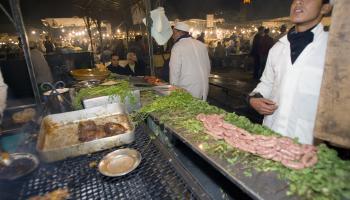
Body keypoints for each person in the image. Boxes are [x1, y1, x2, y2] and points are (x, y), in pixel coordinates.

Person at [248, 0, 333, 144]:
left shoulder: (333, 50)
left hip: (308, 144)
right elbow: (267, 83)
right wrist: (254, 98)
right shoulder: (278, 48)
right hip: (270, 135)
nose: (298, 2)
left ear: (325, 8)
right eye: (295, 0)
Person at [169, 21, 211, 101]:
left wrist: (173, 92)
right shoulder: (201, 45)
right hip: (204, 87)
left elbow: (174, 72)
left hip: (187, 88)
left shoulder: (177, 47)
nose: (172, 37)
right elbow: (208, 66)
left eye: (173, 34)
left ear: (178, 32)